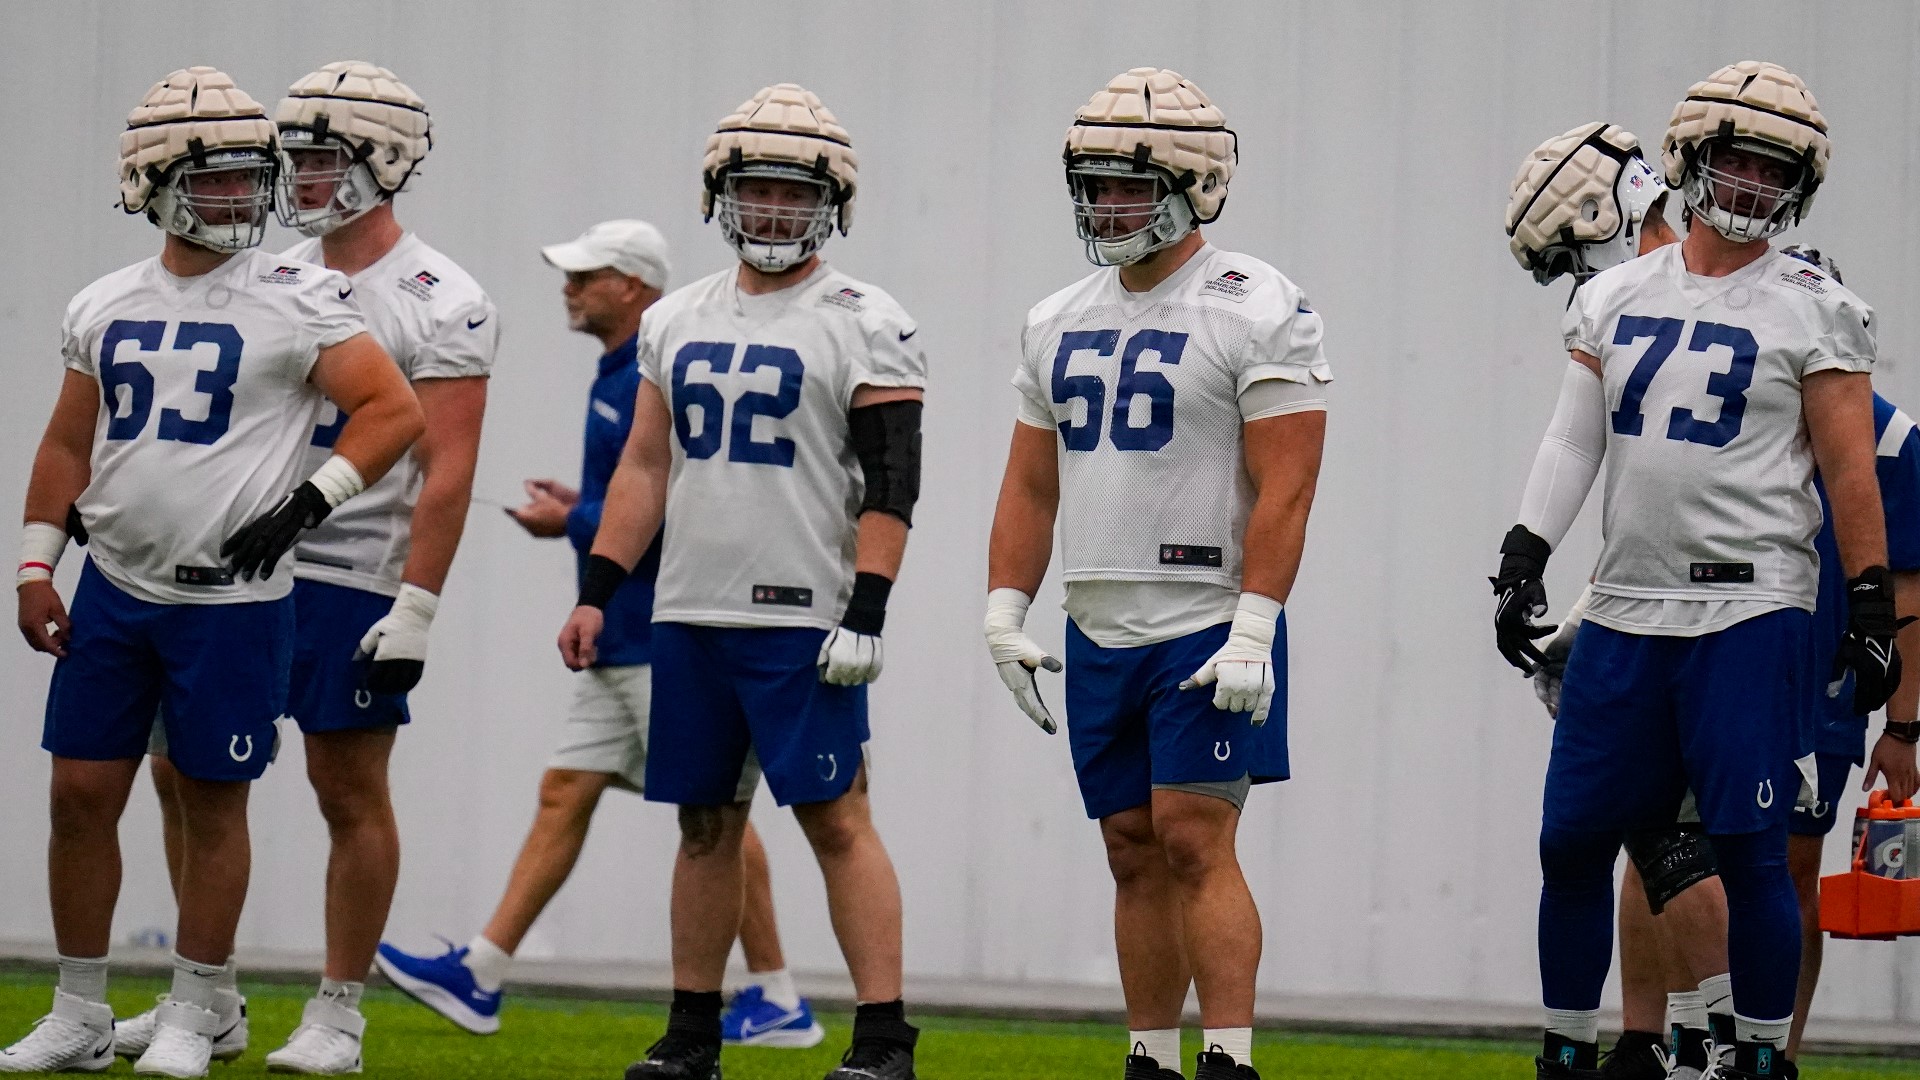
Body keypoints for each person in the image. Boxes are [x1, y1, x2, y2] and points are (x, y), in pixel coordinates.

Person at [0, 67, 423, 1077]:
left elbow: (393, 410)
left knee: (212, 797)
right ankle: (81, 1009)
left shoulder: (298, 292)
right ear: (152, 181)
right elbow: (69, 444)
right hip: (114, 588)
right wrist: (32, 563)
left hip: (232, 604)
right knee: (79, 794)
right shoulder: (105, 301)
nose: (244, 199)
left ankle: (197, 1005)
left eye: (251, 179)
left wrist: (309, 502)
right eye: (219, 181)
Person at [1490, 62, 1896, 1080]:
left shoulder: (1817, 303)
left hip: (1749, 609)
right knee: (1573, 843)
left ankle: (1757, 1058)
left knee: (1754, 851)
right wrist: (1524, 550)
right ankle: (1568, 1049)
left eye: (1775, 168)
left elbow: (1851, 470)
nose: (1753, 185)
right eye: (1738, 160)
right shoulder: (1617, 294)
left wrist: (1870, 598)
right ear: (1689, 158)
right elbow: (1573, 442)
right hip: (1629, 607)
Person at [105, 60, 493, 1075]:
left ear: (389, 161)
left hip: (351, 567)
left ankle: (338, 1011)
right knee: (180, 772)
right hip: (229, 570)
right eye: (296, 156)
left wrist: (418, 601)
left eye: (325, 156)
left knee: (346, 785)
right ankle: (209, 994)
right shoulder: (257, 265)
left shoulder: (441, 297)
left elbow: (446, 470)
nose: (302, 175)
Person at [375, 219, 823, 1051]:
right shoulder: (618, 372)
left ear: (635, 286)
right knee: (566, 793)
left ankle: (778, 995)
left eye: (588, 275)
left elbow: (672, 503)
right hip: (618, 636)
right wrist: (581, 509)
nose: (569, 288)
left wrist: (569, 519)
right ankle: (482, 970)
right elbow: (628, 491)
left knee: (715, 813)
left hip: (662, 634)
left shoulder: (658, 368)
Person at [556, 84, 925, 1080]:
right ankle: (691, 1034)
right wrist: (597, 587)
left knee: (836, 816)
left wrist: (869, 606)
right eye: (754, 191)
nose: (770, 212)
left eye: (790, 194)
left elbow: (895, 477)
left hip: (805, 614)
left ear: (828, 202)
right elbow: (644, 467)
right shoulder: (673, 318)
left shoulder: (865, 317)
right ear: (723, 195)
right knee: (705, 822)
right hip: (689, 612)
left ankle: (884, 1037)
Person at [984, 68, 1329, 1080]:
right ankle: (1150, 1057)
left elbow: (1288, 488)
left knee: (1191, 838)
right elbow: (1030, 485)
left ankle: (1229, 1057)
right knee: (1130, 845)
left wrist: (1256, 627)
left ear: (1196, 184)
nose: (1106, 204)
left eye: (1128, 185)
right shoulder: (1054, 316)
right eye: (1092, 184)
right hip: (1100, 621)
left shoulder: (1257, 304)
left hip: (1207, 616)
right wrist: (1006, 608)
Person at [1504, 122, 1731, 1080]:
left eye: (1565, 256)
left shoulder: (1736, 294)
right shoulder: (1663, 295)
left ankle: (1733, 1042)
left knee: (1708, 844)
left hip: (1729, 609)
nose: (1570, 279)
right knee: (1635, 835)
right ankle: (1666, 1041)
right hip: (1655, 598)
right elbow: (1623, 469)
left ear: (1594, 215)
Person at [1768, 250, 1920, 1069]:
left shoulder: (1889, 436)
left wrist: (1905, 726)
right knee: (1689, 855)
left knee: (1791, 870)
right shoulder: (1730, 412)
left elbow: (1909, 590)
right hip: (1720, 663)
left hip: (1820, 685)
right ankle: (1690, 1037)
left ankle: (1776, 1054)